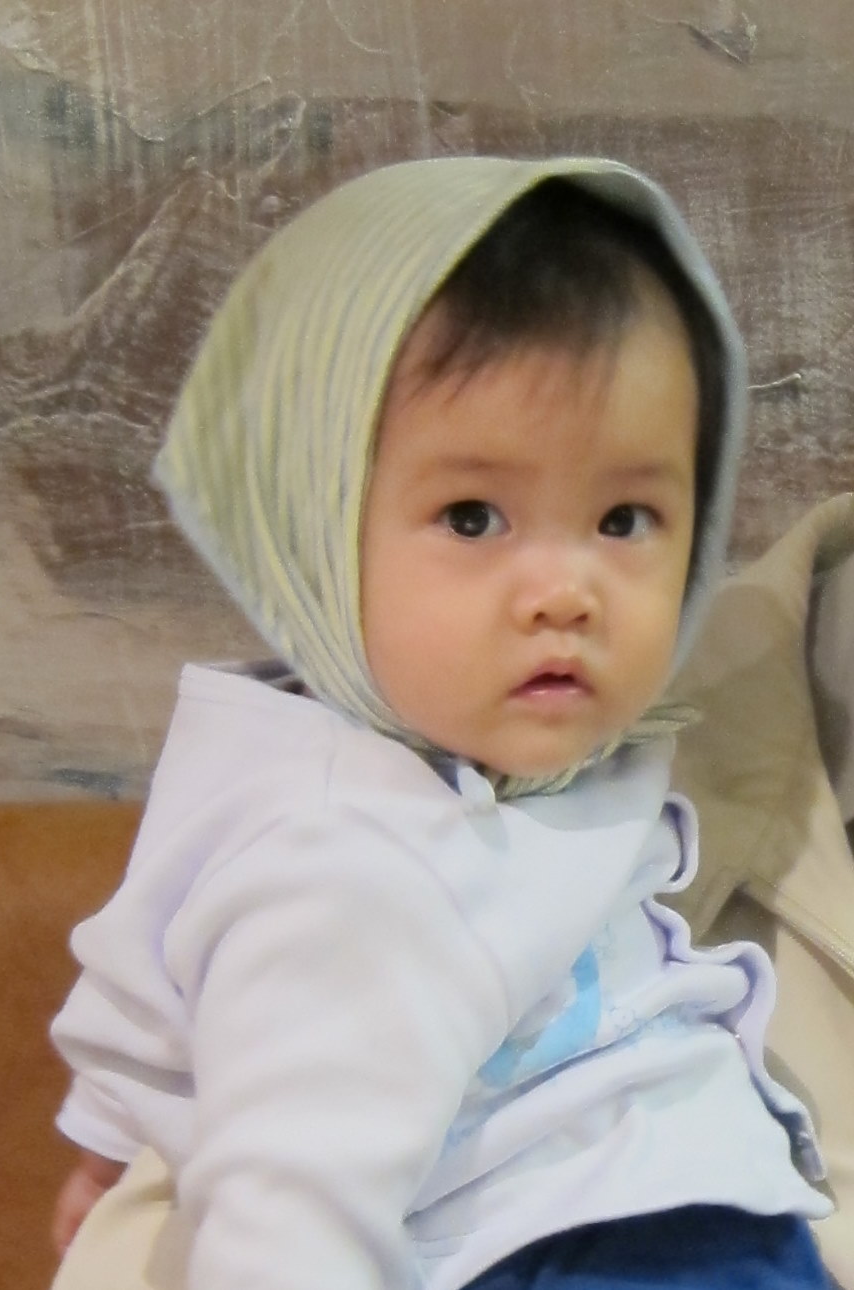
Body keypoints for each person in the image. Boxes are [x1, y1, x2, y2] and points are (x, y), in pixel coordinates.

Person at [49, 156, 835, 1289]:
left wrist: (107, 1143)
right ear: (313, 524)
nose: (565, 592)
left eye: (625, 518)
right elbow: (289, 1215)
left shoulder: (286, 749)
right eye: (473, 517)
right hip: (583, 1242)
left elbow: (151, 978)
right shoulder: (354, 868)